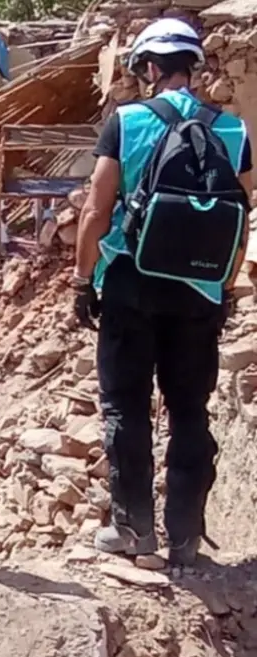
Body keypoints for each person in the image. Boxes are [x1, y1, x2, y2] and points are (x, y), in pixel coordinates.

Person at [73, 19, 252, 566]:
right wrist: (223, 288)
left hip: (130, 283)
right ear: (192, 68)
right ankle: (184, 538)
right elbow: (241, 219)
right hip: (199, 291)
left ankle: (134, 532)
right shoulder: (233, 131)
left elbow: (96, 210)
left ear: (149, 68)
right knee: (190, 410)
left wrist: (82, 280)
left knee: (125, 406)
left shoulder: (126, 122)